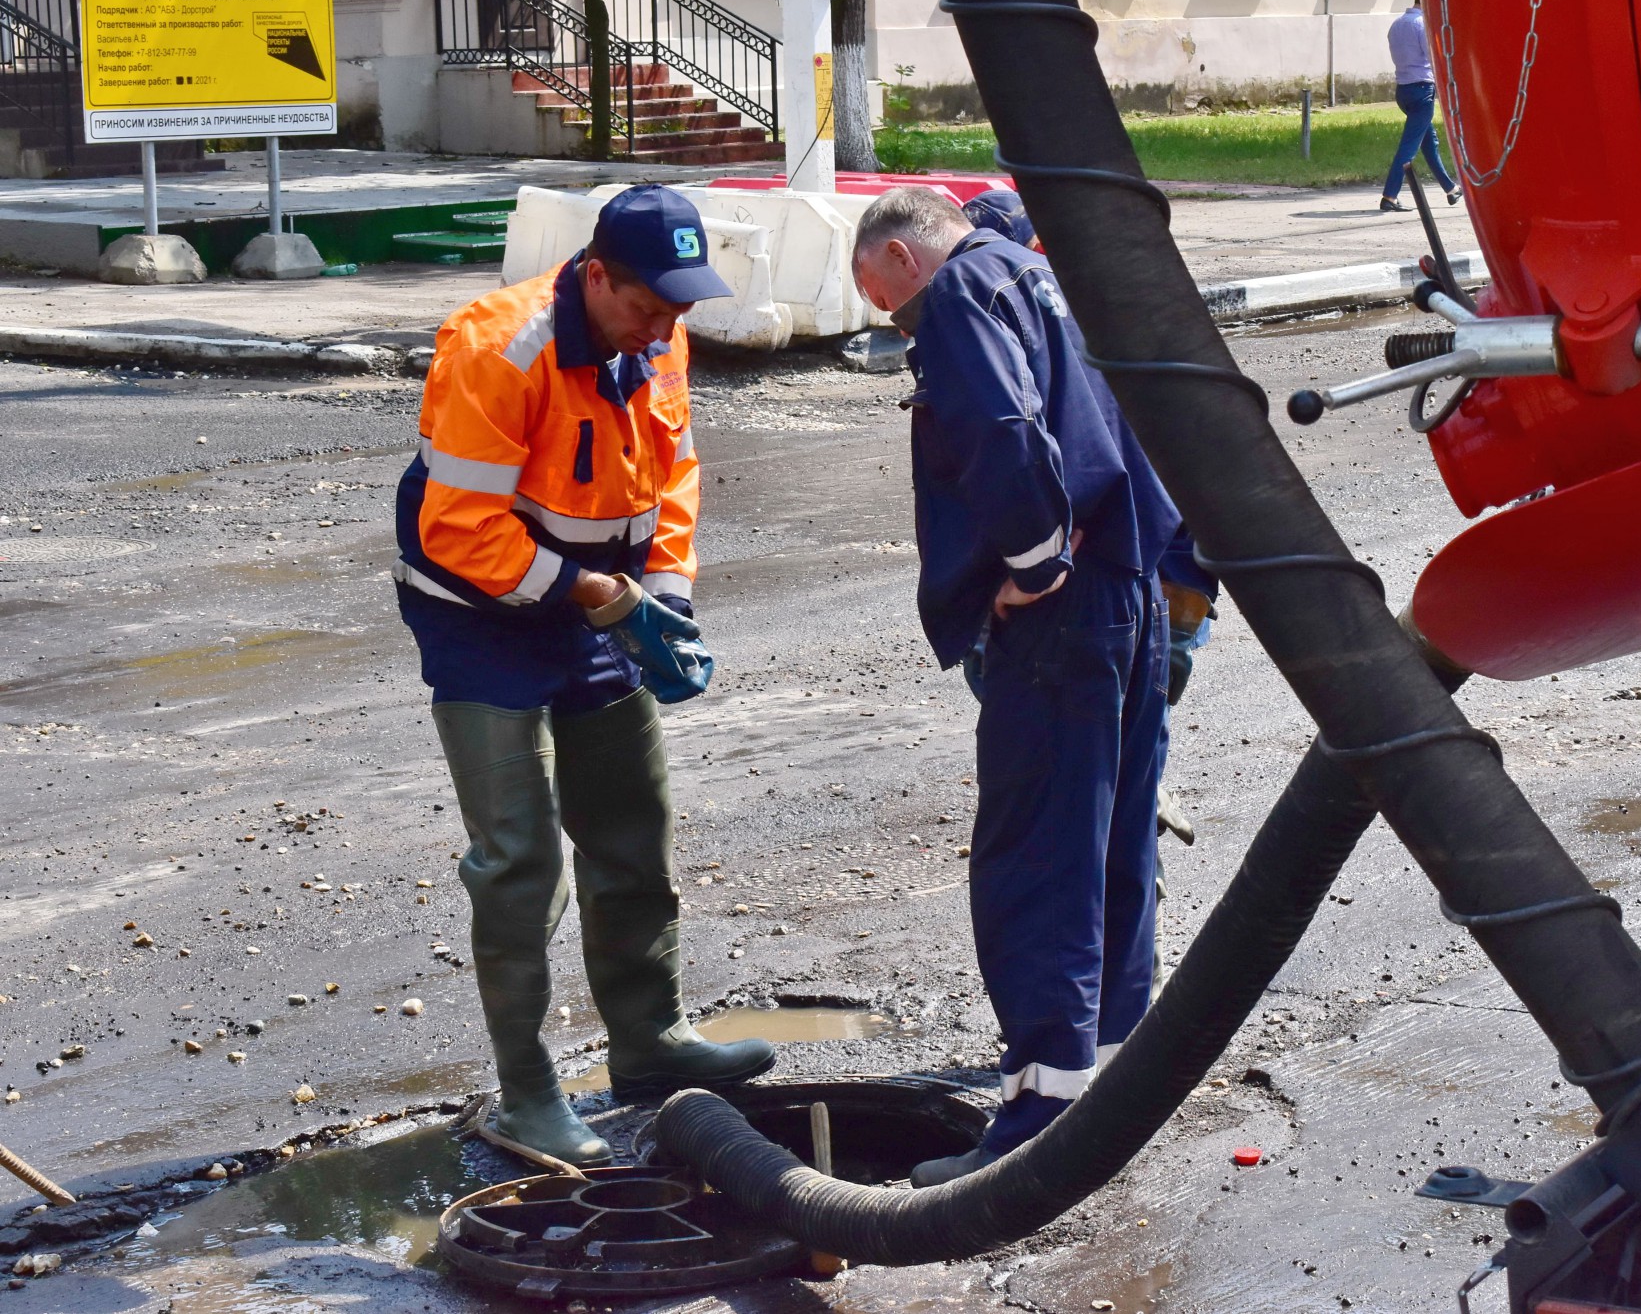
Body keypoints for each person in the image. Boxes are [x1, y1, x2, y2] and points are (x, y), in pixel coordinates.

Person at [393, 185, 776, 1165]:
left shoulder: (656, 334)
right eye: (649, 304)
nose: (665, 326)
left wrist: (666, 594)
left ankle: (648, 1043)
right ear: (595, 275)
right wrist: (593, 590)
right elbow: (458, 529)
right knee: (518, 860)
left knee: (629, 826)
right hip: (478, 615)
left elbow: (675, 471)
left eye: (680, 308)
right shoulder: (495, 348)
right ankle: (526, 1096)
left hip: (599, 599)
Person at [852, 186, 1188, 1186]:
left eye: (891, 308)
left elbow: (1001, 426)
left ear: (907, 263)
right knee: (1110, 835)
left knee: (1035, 855)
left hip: (1060, 614)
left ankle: (1041, 1106)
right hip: (1127, 594)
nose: (900, 326)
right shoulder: (1041, 275)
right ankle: (1114, 1071)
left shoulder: (960, 294)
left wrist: (1033, 565)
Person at [1381, 0, 1462, 213]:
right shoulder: (1422, 25)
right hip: (1422, 90)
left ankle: (1451, 189)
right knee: (1408, 148)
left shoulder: (1397, 24)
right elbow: (1434, 58)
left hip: (1403, 90)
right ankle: (1389, 196)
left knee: (1429, 142)